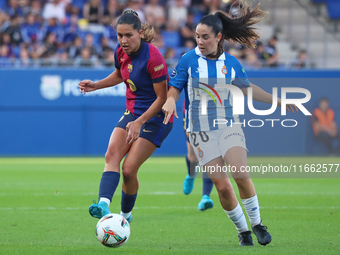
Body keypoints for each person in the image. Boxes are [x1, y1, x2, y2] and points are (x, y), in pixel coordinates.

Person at [162, 3, 298, 246]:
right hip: (200, 131)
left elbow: (248, 89)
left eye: (205, 37)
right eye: (197, 36)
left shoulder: (232, 63)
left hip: (228, 125)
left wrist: (278, 101)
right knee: (223, 187)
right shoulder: (188, 60)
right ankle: (243, 231)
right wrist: (171, 101)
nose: (200, 41)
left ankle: (257, 224)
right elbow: (173, 89)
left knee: (240, 174)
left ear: (219, 37)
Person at [78, 10, 173, 223]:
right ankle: (103, 204)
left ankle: (125, 216)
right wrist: (97, 85)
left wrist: (139, 122)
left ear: (140, 33)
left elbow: (162, 98)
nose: (123, 40)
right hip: (133, 112)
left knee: (129, 170)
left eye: (128, 35)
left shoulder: (154, 57)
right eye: (120, 35)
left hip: (157, 117)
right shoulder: (120, 52)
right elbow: (121, 74)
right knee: (112, 154)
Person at [182, 101, 215, 211]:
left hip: (214, 111)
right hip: (192, 111)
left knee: (209, 156)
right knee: (193, 157)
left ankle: (206, 196)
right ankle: (191, 174)